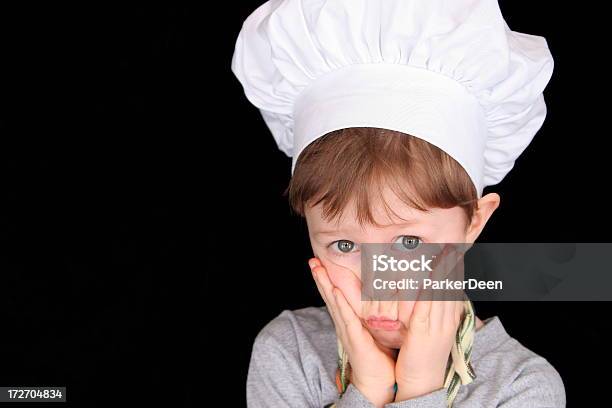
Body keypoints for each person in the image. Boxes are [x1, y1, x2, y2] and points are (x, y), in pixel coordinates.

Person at [231, 0, 565, 406]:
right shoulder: (290, 352)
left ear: (474, 222)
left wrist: (419, 387)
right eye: (344, 245)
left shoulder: (523, 387)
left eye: (408, 242)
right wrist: (367, 387)